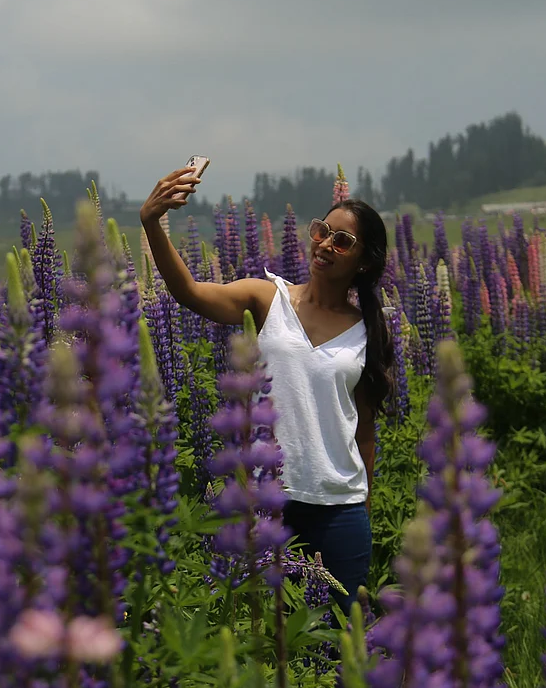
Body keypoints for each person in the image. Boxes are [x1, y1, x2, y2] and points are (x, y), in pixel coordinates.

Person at [139, 166, 395, 614]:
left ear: (365, 261)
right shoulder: (267, 297)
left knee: (333, 649)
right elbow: (191, 292)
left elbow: (365, 432)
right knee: (270, 641)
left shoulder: (368, 331)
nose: (324, 245)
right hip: (267, 500)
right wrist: (152, 223)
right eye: (323, 232)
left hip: (340, 510)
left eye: (342, 241)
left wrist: (364, 508)